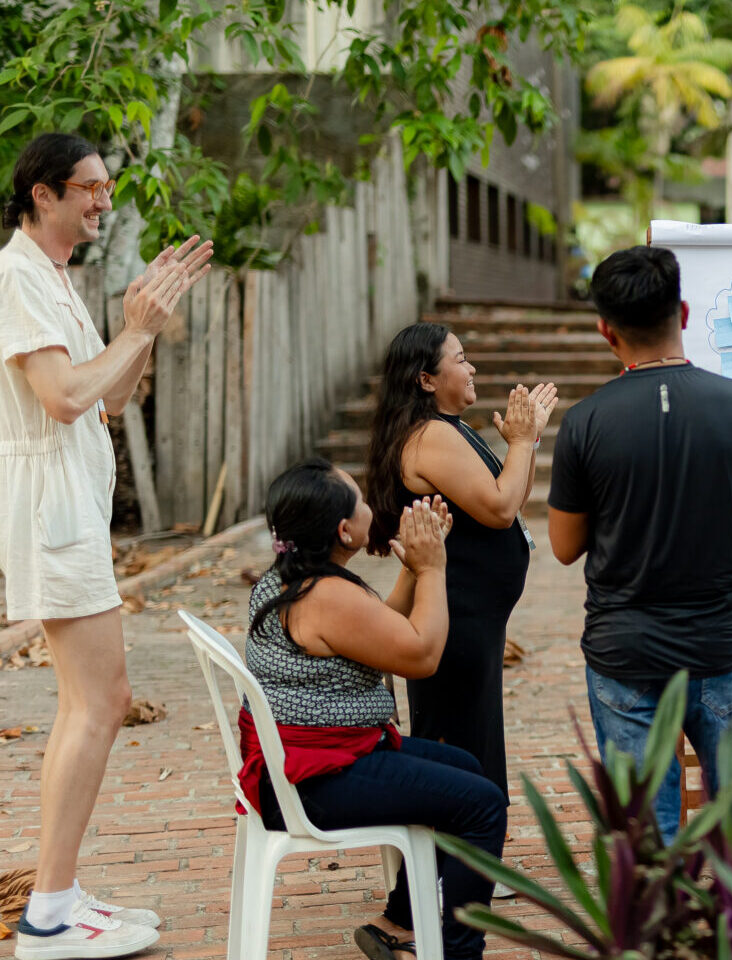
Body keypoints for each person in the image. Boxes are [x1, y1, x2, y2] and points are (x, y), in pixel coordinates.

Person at [3, 132, 213, 960]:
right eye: (88, 187)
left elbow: (111, 396)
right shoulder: (18, 274)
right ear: (42, 194)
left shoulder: (53, 278)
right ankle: (49, 914)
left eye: (106, 187)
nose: (102, 200)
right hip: (50, 504)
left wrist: (144, 327)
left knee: (91, 701)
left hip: (71, 503)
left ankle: (59, 896)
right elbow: (61, 397)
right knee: (102, 699)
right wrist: (131, 327)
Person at [546, 246, 732, 950]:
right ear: (682, 314)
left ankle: (655, 943)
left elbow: (566, 547)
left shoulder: (587, 424)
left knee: (643, 826)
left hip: (624, 654)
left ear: (605, 330)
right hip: (720, 647)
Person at [243, 459, 506, 960]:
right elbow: (422, 656)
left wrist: (412, 569)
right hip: (314, 781)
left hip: (303, 764)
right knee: (483, 805)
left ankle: (402, 921)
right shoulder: (325, 596)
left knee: (467, 769)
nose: (370, 506)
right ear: (344, 530)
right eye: (361, 500)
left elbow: (376, 626)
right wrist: (433, 569)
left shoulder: (289, 579)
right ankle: (457, 951)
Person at [363, 323, 557, 803]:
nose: (472, 368)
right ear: (426, 380)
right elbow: (499, 509)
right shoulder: (430, 436)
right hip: (456, 617)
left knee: (476, 736)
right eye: (461, 359)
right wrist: (519, 442)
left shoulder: (452, 428)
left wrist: (525, 442)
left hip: (473, 615)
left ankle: (469, 869)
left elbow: (513, 493)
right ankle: (451, 871)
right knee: (460, 740)